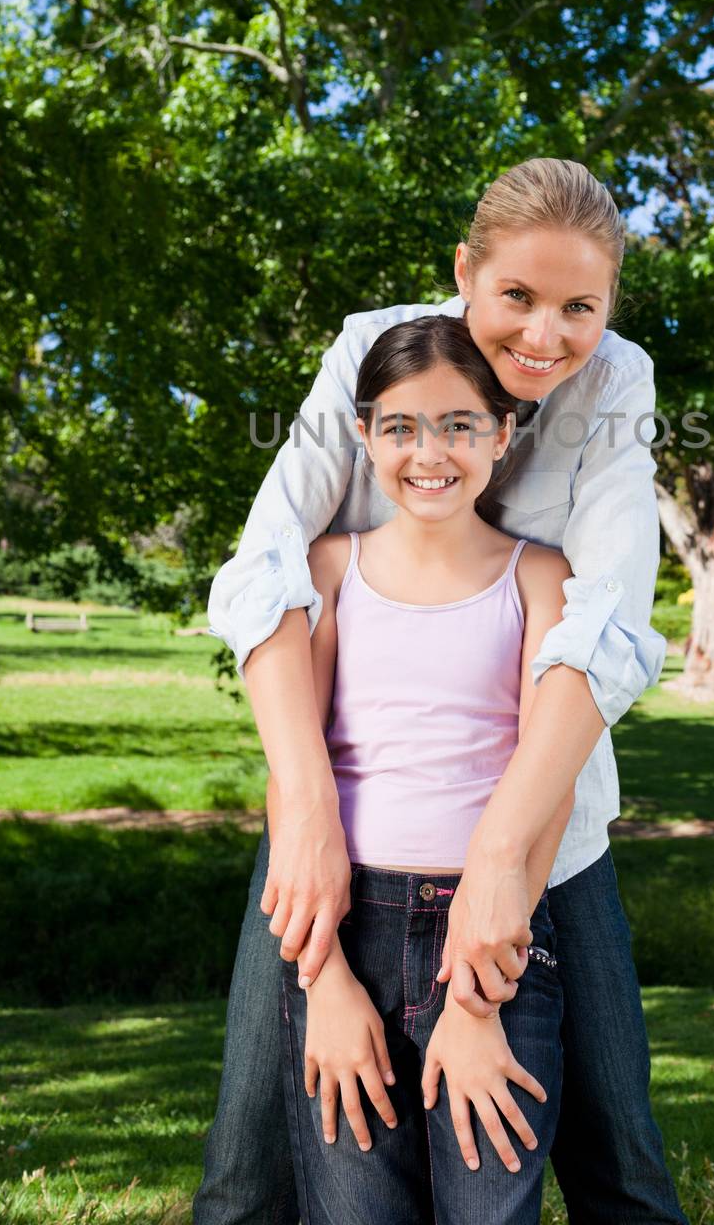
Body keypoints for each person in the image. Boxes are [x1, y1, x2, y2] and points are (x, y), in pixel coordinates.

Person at [197, 157, 689, 1225]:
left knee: (620, 1159)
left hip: (544, 822)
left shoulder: (614, 385)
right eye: (515, 295)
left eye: (579, 307)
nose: (545, 337)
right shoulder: (373, 353)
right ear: (463, 272)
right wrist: (307, 816)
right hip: (347, 832)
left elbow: (595, 631)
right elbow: (271, 568)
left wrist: (505, 864)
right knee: (247, 1169)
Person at [276, 313, 573, 1223]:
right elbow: (298, 784)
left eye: (457, 425)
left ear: (501, 433)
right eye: (400, 427)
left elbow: (547, 783)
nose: (429, 452)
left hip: (493, 940)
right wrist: (323, 983)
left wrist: (479, 1004)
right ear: (363, 436)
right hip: (347, 929)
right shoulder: (327, 571)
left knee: (489, 1208)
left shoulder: (540, 578)